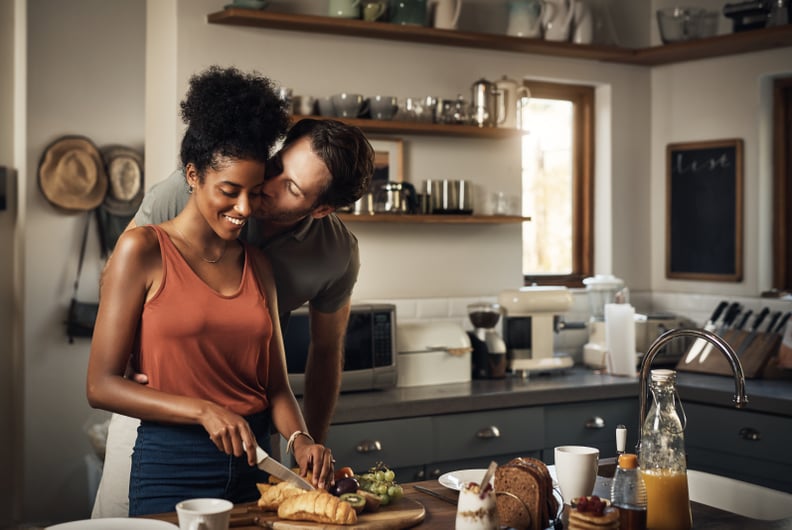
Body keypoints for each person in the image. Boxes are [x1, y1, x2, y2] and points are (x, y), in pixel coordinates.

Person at [91, 104, 374, 517]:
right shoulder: (197, 184)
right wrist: (130, 350)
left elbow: (324, 351)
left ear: (320, 209)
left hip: (249, 438)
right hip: (158, 416)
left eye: (290, 187)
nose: (262, 187)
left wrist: (303, 440)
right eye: (276, 165)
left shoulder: (328, 254)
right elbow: (118, 277)